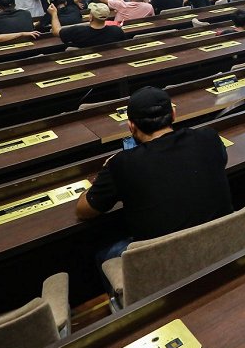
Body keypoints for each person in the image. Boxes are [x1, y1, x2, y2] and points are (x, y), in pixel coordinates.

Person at [76, 87, 232, 259]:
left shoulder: (121, 164)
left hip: (164, 265)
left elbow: (83, 210)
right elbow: (220, 161)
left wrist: (105, 173)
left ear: (131, 127)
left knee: (103, 252)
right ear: (173, 114)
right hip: (223, 248)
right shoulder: (209, 137)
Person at [51, 2, 127, 47]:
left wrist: (54, 14)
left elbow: (56, 31)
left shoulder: (78, 31)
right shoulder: (116, 30)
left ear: (90, 17)